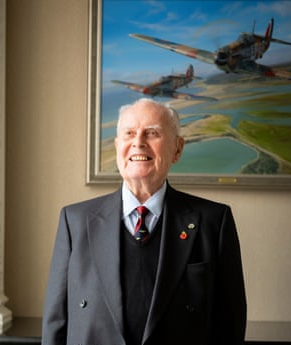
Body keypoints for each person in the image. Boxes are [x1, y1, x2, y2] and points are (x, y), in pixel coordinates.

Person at [42, 98, 247, 345]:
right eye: (129, 133)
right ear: (118, 146)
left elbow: (230, 324)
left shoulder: (214, 222)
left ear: (178, 149)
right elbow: (56, 322)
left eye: (152, 133)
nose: (138, 142)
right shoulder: (74, 221)